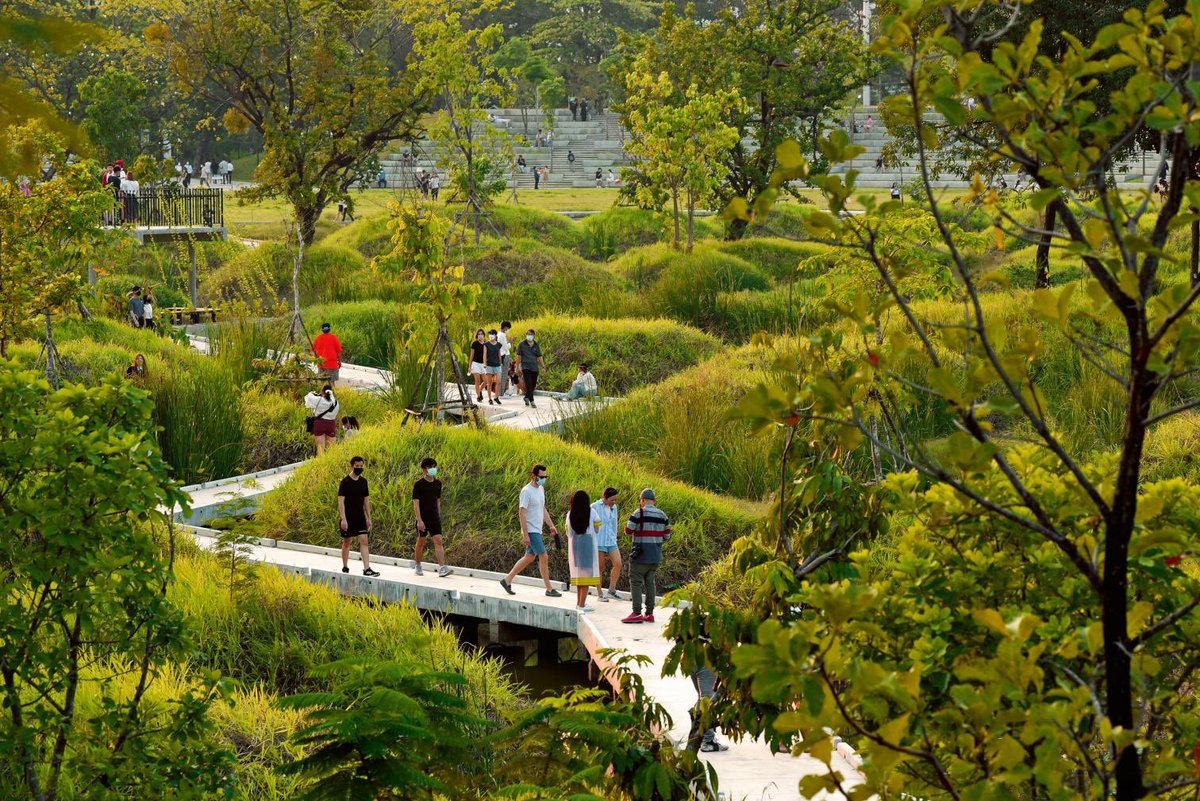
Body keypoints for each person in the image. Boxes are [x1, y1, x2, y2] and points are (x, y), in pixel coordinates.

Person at [499, 464, 562, 598]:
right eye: (541, 477)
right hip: (531, 530)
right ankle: (549, 589)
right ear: (533, 476)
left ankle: (507, 580)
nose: (544, 479)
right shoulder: (526, 491)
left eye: (545, 476)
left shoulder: (541, 489)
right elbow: (522, 513)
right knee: (544, 556)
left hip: (537, 529)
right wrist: (525, 534)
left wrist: (551, 525)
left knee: (529, 557)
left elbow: (543, 509)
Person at [621, 488, 672, 624]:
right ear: (654, 501)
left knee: (636, 582)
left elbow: (628, 530)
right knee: (650, 583)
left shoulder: (638, 513)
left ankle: (636, 612)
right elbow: (667, 536)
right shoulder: (663, 515)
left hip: (640, 555)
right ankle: (649, 614)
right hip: (655, 555)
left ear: (642, 500)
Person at [338, 456, 380, 577]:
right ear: (352, 466)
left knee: (364, 541)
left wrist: (369, 517)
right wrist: (343, 519)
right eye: (357, 466)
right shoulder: (345, 482)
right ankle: (345, 566)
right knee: (347, 542)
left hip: (360, 517)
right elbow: (340, 501)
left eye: (361, 466)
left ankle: (367, 569)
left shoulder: (363, 482)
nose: (359, 468)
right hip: (348, 517)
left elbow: (366, 500)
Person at [412, 457, 452, 578]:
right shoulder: (418, 484)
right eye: (430, 467)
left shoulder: (438, 483)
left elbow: (438, 501)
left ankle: (442, 568)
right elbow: (416, 503)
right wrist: (419, 520)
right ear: (424, 470)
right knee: (421, 542)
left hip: (434, 518)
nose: (432, 469)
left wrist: (438, 515)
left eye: (434, 466)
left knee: (438, 540)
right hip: (423, 518)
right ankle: (418, 565)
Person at [566, 489, 601, 612]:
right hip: (587, 543)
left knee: (579, 573)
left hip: (575, 544)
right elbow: (597, 529)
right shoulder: (592, 512)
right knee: (586, 574)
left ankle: (579, 603)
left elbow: (568, 532)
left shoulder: (570, 514)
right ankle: (582, 604)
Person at [688, 665, 729, 753]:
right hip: (705, 663)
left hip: (691, 660)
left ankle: (697, 735)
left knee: (702, 699)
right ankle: (707, 741)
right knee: (707, 701)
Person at [591, 487, 622, 602]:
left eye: (615, 500)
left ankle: (612, 590)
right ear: (604, 498)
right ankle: (599, 594)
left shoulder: (614, 507)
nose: (614, 502)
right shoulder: (594, 506)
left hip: (611, 540)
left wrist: (615, 537)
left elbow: (615, 524)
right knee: (600, 567)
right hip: (599, 541)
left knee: (618, 564)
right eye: (612, 500)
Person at [305, 384, 340, 456]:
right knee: (332, 450)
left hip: (320, 424)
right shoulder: (336, 402)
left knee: (320, 449)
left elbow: (308, 400)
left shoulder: (319, 399)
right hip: (331, 425)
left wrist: (312, 393)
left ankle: (320, 464)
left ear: (322, 391)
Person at [516, 328, 544, 408]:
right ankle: (532, 401)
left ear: (534, 336)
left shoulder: (536, 344)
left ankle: (526, 397)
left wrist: (543, 366)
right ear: (526, 334)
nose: (529, 336)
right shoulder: (521, 344)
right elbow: (518, 356)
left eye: (531, 334)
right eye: (528, 334)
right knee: (528, 384)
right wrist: (517, 367)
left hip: (534, 367)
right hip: (525, 367)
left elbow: (539, 356)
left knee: (533, 384)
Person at [485, 329, 503, 405]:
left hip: (497, 365)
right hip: (489, 365)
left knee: (498, 381)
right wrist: (484, 363)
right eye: (490, 334)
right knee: (489, 383)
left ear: (495, 335)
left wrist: (501, 362)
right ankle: (489, 399)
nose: (491, 335)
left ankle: (496, 397)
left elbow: (499, 354)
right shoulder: (486, 344)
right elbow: (484, 354)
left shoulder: (498, 344)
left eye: (492, 334)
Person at [469, 328, 488, 403]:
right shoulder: (474, 344)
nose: (480, 335)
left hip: (483, 364)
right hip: (475, 363)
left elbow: (487, 356)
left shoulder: (486, 344)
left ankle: (479, 390)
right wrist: (469, 366)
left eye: (481, 334)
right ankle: (478, 396)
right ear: (477, 335)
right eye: (479, 334)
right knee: (477, 380)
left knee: (486, 381)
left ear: (484, 335)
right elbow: (471, 355)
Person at [497, 321, 515, 397]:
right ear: (505, 327)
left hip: (502, 356)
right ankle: (501, 393)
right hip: (504, 356)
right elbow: (506, 347)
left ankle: (501, 392)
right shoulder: (501, 335)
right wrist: (511, 341)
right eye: (508, 328)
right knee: (503, 375)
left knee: (502, 375)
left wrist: (508, 342)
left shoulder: (499, 334)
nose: (508, 330)